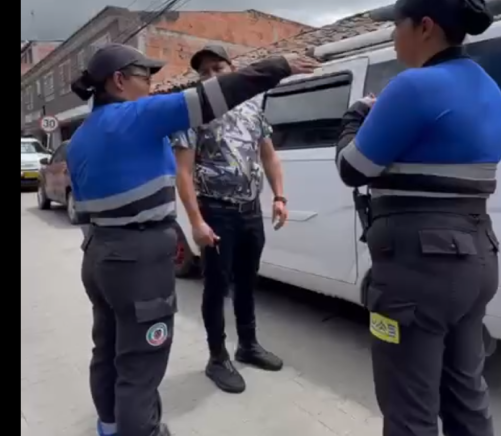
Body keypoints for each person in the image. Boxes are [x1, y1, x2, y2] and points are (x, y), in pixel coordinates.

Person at [66, 43, 318, 436]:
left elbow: (82, 209)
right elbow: (210, 97)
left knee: (109, 349)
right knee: (140, 362)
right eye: (145, 77)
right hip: (138, 259)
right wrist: (277, 66)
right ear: (119, 81)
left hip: (99, 253)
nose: (150, 85)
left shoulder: (82, 136)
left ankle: (110, 426)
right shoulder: (135, 116)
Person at [334, 0, 501, 436]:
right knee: (467, 395)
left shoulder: (411, 88)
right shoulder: (490, 88)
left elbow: (353, 168)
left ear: (425, 27)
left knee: (409, 409)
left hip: (416, 272)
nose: (393, 35)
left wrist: (356, 115)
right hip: (476, 258)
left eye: (398, 25)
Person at [172, 45, 287, 394]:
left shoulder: (253, 108)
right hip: (216, 212)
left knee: (247, 281)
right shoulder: (193, 113)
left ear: (232, 69)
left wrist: (279, 197)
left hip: (250, 211)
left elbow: (270, 157)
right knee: (216, 287)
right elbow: (183, 171)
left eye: (218, 68)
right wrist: (196, 221)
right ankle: (217, 357)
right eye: (204, 72)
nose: (210, 76)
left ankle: (247, 345)